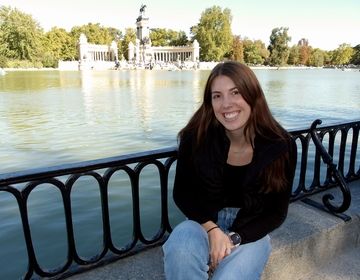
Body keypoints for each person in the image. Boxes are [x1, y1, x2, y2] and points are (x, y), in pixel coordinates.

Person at [162, 61, 297, 280]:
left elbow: (276, 212)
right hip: (201, 223)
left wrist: (234, 238)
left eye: (235, 92)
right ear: (210, 102)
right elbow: (182, 193)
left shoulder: (281, 145)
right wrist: (212, 230)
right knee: (180, 251)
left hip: (251, 231)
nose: (226, 104)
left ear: (252, 94)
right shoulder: (195, 138)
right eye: (217, 95)